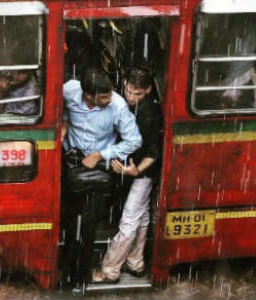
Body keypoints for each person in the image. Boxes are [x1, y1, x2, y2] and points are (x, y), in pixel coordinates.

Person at [61, 68, 142, 290]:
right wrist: (64, 121)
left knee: (86, 226)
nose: (109, 99)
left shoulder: (117, 106)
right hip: (70, 165)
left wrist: (100, 155)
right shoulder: (69, 91)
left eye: (109, 95)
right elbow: (53, 107)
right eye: (103, 97)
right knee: (69, 221)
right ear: (88, 95)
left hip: (97, 171)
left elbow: (134, 141)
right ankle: (66, 271)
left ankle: (79, 279)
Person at [91, 68, 163, 283]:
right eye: (129, 91)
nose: (131, 97)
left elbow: (153, 152)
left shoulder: (149, 114)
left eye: (137, 94)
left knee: (129, 221)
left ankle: (110, 270)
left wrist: (135, 170)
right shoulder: (133, 106)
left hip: (143, 173)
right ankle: (136, 262)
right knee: (141, 218)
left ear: (148, 90)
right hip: (137, 171)